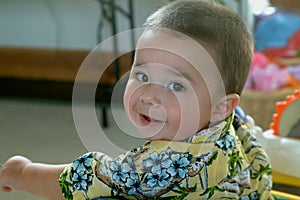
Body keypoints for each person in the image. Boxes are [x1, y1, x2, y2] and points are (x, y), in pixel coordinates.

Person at [0, 0, 273, 199]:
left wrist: (24, 172)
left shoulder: (159, 167)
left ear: (221, 107)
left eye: (176, 85)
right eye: (142, 75)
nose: (150, 95)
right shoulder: (236, 122)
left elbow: (81, 180)